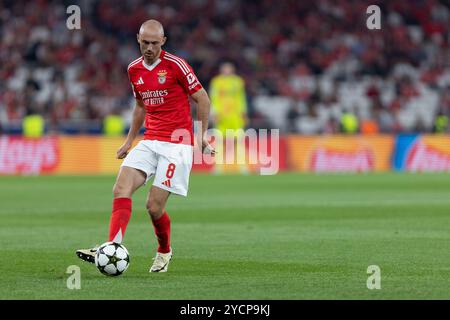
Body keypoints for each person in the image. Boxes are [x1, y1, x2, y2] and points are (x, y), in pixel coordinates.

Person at [76, 20, 214, 273]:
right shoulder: (134, 69)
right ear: (138, 40)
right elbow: (140, 106)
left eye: (154, 43)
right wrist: (129, 140)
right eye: (144, 43)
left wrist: (201, 136)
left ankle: (164, 251)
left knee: (153, 207)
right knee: (120, 188)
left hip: (177, 144)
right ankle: (113, 246)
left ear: (163, 41)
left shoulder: (176, 65)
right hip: (150, 140)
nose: (149, 48)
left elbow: (202, 98)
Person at [209, 62, 248, 173]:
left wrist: (243, 112)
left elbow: (241, 98)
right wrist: (213, 112)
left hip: (235, 116)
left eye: (229, 68)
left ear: (232, 70)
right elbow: (213, 97)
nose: (227, 70)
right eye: (225, 68)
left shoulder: (238, 81)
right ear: (222, 70)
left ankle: (242, 166)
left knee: (239, 141)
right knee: (219, 142)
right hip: (221, 116)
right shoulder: (216, 82)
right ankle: (218, 167)